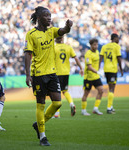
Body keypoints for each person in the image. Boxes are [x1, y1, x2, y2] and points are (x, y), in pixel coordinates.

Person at [24, 6, 73, 146]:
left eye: (50, 15)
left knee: (57, 102)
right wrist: (28, 75)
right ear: (38, 18)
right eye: (46, 15)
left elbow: (63, 31)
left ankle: (39, 124)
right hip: (38, 74)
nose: (49, 18)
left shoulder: (52, 31)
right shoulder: (31, 34)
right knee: (40, 104)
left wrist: (67, 26)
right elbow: (27, 55)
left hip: (52, 73)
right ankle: (43, 136)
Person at [53, 36, 83, 118]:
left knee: (56, 92)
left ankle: (57, 113)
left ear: (55, 39)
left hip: (56, 73)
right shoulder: (68, 47)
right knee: (65, 91)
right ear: (62, 39)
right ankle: (71, 103)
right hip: (66, 72)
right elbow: (76, 58)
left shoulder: (53, 48)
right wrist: (81, 68)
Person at [99, 33, 123, 114]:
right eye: (118, 38)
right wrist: (121, 69)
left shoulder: (104, 46)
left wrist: (98, 67)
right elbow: (119, 58)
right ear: (115, 38)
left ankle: (111, 106)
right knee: (112, 89)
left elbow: (100, 57)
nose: (118, 40)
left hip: (106, 69)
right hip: (112, 70)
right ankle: (109, 108)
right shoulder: (116, 46)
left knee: (111, 88)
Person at [81, 38, 104, 116]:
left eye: (97, 44)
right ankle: (83, 110)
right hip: (88, 77)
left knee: (101, 90)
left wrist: (99, 69)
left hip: (96, 76)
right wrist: (98, 72)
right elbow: (89, 66)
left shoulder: (97, 52)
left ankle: (95, 108)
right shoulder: (88, 54)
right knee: (86, 94)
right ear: (91, 45)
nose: (96, 46)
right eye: (94, 45)